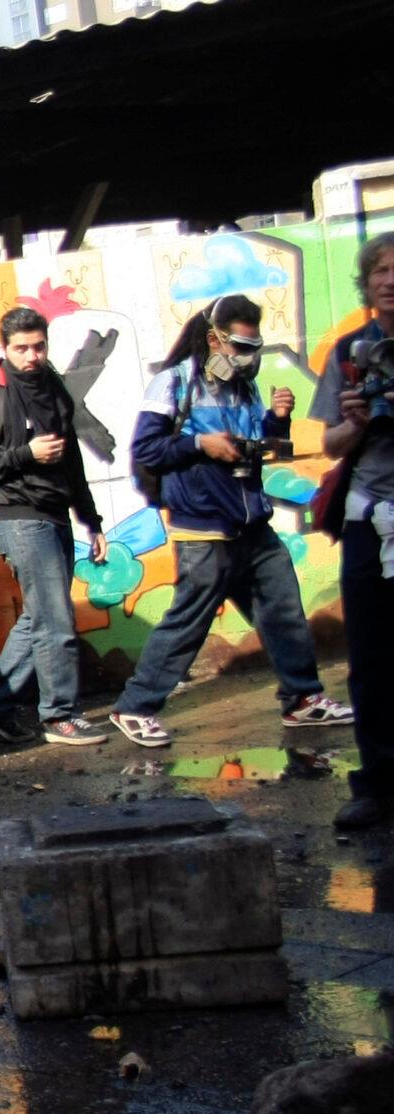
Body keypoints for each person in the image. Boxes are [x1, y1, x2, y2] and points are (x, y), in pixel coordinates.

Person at [112, 295, 353, 748]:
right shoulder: (174, 384)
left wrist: (276, 422)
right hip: (203, 528)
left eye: (252, 346)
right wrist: (200, 444)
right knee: (189, 619)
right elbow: (147, 451)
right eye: (238, 345)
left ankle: (303, 699)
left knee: (282, 611)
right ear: (213, 339)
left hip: (251, 524)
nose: (246, 356)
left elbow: (261, 450)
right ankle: (135, 706)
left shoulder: (244, 387)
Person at [0, 306, 112, 746]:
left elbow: (73, 460)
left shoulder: (53, 387)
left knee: (39, 617)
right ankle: (59, 715)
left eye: (38, 346)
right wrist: (26, 454)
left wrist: (92, 520)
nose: (31, 356)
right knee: (56, 621)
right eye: (21, 348)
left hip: (56, 514)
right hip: (19, 518)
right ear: (4, 349)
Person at [314, 234, 394, 830]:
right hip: (371, 519)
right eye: (380, 273)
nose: (390, 281)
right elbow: (331, 444)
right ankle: (376, 784)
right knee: (370, 655)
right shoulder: (350, 353)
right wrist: (359, 421)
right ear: (366, 288)